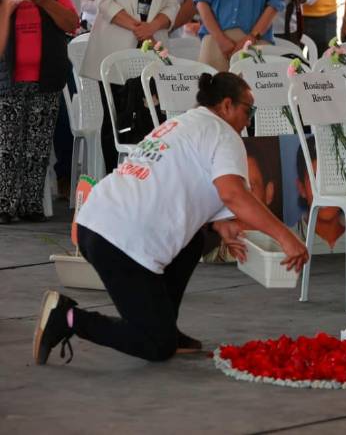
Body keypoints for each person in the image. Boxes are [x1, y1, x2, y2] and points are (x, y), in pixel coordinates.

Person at [32, 72, 309, 365]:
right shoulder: (224, 134)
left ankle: (164, 324)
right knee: (155, 345)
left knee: (195, 241)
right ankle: (67, 317)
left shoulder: (183, 123)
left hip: (97, 222)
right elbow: (233, 194)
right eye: (248, 110)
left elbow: (197, 187)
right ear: (227, 105)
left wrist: (222, 223)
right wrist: (286, 236)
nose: (249, 119)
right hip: (119, 239)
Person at [80, 0, 179, 172]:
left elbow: (172, 5)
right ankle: (114, 176)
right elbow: (104, 1)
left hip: (152, 49)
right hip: (114, 51)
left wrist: (152, 26)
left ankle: (146, 177)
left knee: (151, 115)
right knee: (116, 118)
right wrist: (137, 26)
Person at [0, 0, 79, 223]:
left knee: (38, 146)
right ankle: (4, 205)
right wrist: (14, 2)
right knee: (7, 147)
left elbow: (72, 24)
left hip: (46, 80)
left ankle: (31, 204)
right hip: (7, 82)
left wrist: (46, 2)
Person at [295, 136, 346, 254]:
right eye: (314, 180)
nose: (323, 191)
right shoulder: (290, 239)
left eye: (331, 177)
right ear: (301, 188)